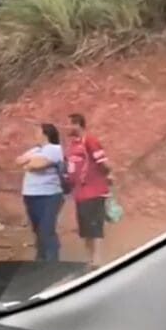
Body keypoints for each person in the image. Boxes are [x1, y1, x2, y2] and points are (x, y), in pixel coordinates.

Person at [65, 113, 112, 265]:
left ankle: (97, 260)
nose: (67, 127)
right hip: (79, 194)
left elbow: (104, 163)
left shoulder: (90, 141)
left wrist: (105, 177)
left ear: (77, 124)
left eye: (69, 124)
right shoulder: (72, 146)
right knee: (85, 228)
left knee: (95, 226)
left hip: (94, 191)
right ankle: (88, 259)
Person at [16, 123, 65, 262]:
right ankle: (41, 258)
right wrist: (31, 161)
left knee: (47, 228)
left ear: (45, 134)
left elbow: (36, 165)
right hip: (31, 195)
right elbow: (19, 161)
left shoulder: (55, 149)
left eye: (37, 132)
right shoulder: (36, 149)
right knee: (37, 229)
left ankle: (52, 261)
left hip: (49, 195)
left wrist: (30, 162)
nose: (35, 135)